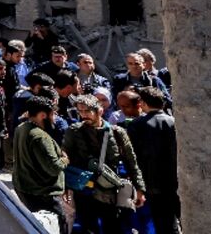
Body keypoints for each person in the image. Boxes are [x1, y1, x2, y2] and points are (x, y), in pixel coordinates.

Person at [64, 94, 145, 234]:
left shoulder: (117, 133)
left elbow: (131, 162)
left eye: (87, 111)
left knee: (113, 227)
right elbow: (66, 160)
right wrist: (64, 187)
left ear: (99, 111)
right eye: (80, 112)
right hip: (84, 190)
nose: (83, 115)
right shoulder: (74, 131)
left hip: (110, 191)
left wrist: (139, 189)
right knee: (88, 229)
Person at [12, 96, 69, 234]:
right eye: (52, 114)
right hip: (43, 193)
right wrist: (64, 160)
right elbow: (54, 168)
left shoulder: (21, 127)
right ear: (43, 115)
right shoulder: (40, 137)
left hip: (26, 188)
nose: (54, 118)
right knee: (57, 226)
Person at [126, 87, 179, 233]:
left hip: (152, 183)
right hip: (177, 181)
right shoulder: (174, 122)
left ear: (143, 103)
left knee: (163, 224)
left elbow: (133, 158)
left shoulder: (137, 125)